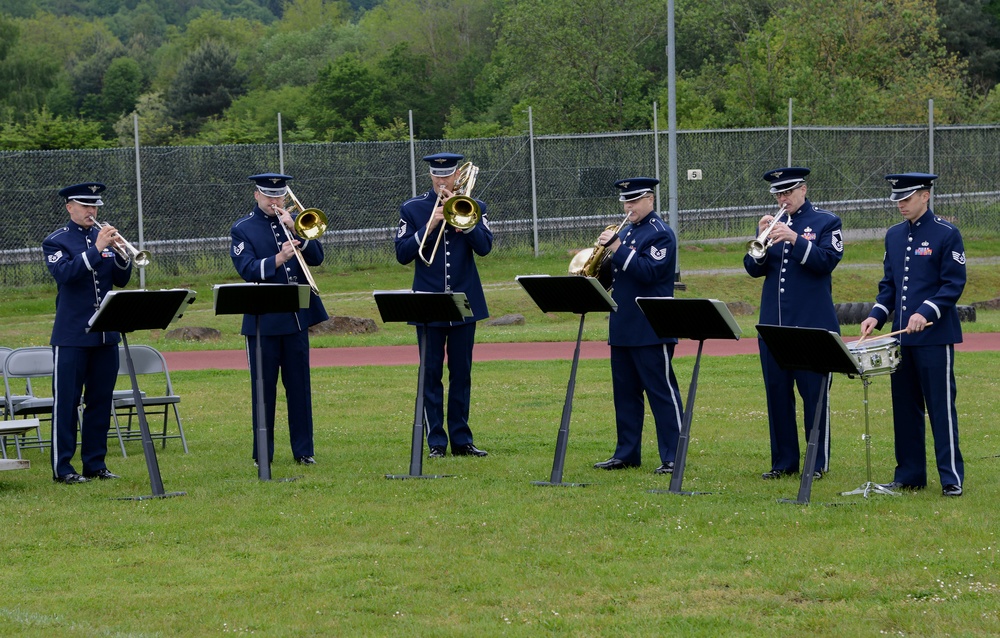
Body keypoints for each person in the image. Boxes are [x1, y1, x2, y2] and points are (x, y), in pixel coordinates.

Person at [859, 173, 966, 497]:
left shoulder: (947, 233)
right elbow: (889, 285)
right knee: (905, 409)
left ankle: (951, 479)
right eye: (897, 200)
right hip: (902, 340)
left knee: (940, 408)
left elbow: (953, 283)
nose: (901, 205)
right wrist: (875, 316)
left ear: (925, 195)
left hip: (934, 337)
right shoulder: (893, 235)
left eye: (906, 199)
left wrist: (926, 311)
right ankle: (909, 474)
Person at [743, 167, 844, 480]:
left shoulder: (827, 221)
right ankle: (783, 462)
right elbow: (752, 267)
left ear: (803, 189)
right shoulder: (774, 224)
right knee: (777, 395)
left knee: (814, 396)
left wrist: (796, 240)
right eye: (778, 194)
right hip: (774, 327)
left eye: (787, 192)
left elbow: (827, 261)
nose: (782, 199)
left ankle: (817, 463)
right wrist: (761, 238)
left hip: (811, 327)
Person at [394, 152, 493, 458]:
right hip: (427, 302)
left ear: (456, 177)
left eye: (447, 176)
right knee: (431, 373)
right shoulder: (412, 209)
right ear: (431, 177)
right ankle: (436, 442)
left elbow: (486, 247)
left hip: (465, 301)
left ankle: (462, 440)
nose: (441, 181)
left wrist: (467, 224)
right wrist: (430, 226)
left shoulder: (475, 206)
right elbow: (402, 253)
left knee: (461, 373)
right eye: (437, 176)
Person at [230, 173, 328, 466]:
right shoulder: (242, 228)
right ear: (257, 195)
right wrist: (278, 259)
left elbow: (317, 258)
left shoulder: (295, 221)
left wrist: (296, 229)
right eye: (269, 196)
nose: (275, 201)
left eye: (280, 196)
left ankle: (304, 451)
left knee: (300, 387)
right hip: (263, 322)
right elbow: (246, 268)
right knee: (263, 390)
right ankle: (263, 452)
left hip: (296, 317)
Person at [42, 182, 133, 484]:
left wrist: (123, 254)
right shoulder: (56, 241)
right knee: (67, 402)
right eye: (85, 206)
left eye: (94, 207)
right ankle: (63, 468)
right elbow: (65, 274)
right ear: (70, 207)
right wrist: (97, 250)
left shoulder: (103, 237)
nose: (91, 212)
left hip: (105, 335)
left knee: (100, 401)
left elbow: (119, 281)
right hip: (71, 336)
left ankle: (95, 464)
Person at [592, 177, 684, 474]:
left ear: (650, 200)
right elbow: (615, 276)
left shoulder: (661, 234)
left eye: (634, 201)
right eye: (625, 202)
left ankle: (673, 456)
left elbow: (648, 272)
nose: (628, 207)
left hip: (651, 326)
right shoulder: (626, 231)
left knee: (661, 393)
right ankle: (626, 453)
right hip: (623, 324)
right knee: (625, 394)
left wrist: (617, 248)